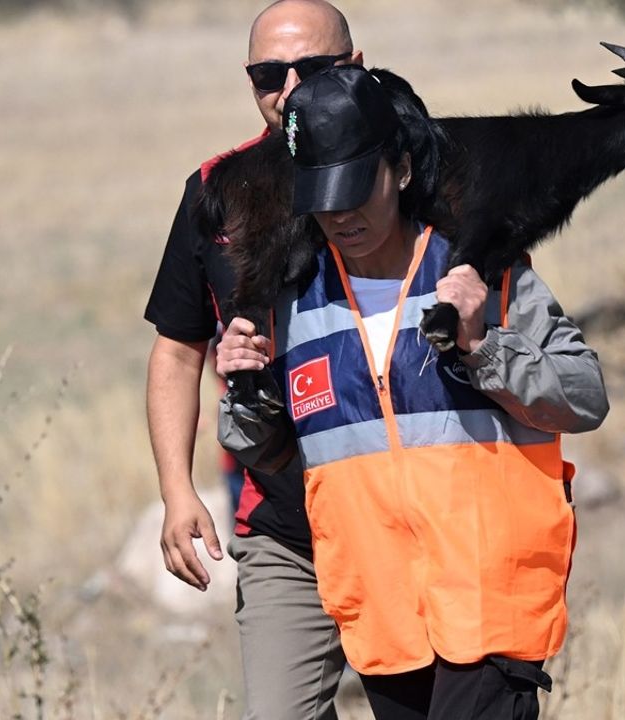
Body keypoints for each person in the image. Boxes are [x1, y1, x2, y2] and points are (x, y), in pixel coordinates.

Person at [215, 64, 609, 720]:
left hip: (490, 600)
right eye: (323, 195)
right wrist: (246, 389)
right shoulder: (291, 299)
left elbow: (585, 395)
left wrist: (485, 346)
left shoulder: (482, 270)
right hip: (384, 615)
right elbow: (276, 454)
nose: (341, 215)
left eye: (356, 187)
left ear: (400, 171)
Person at [142, 1, 361, 717]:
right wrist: (178, 492)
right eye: (270, 73)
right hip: (283, 523)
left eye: (314, 70)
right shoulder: (216, 190)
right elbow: (177, 352)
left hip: (410, 510)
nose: (290, 88)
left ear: (356, 68)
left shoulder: (417, 175)